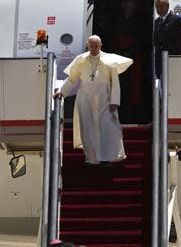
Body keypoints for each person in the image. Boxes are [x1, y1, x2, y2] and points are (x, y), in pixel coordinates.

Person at [54, 35, 133, 166]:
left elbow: (115, 82)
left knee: (107, 127)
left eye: (96, 45)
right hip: (85, 97)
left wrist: (114, 101)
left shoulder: (109, 60)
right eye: (91, 45)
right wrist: (61, 91)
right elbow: (72, 79)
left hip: (104, 98)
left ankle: (106, 158)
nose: (94, 48)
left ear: (101, 45)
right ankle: (91, 158)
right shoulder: (81, 59)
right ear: (87, 45)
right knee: (87, 128)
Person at [153, 0, 181, 77]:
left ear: (167, 7)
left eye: (161, 6)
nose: (159, 9)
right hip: (159, 63)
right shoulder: (156, 22)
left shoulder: (175, 20)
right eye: (157, 7)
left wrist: (180, 62)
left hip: (171, 62)